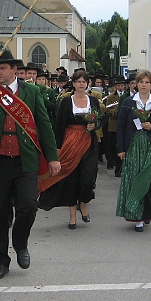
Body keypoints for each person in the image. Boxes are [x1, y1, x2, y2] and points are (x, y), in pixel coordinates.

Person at [0, 50, 61, 279]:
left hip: (24, 159)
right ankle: (0, 260)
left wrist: (52, 156)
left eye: (2, 69)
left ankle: (20, 243)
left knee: (28, 205)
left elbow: (44, 124)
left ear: (14, 71)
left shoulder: (31, 91)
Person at [38, 70, 100, 229]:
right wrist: (57, 148)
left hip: (87, 142)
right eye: (78, 81)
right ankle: (72, 216)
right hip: (70, 142)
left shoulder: (93, 100)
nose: (81, 84)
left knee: (87, 179)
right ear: (73, 84)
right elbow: (59, 125)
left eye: (84, 81)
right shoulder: (66, 101)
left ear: (88, 83)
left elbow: (99, 120)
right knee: (71, 179)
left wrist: (94, 125)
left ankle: (83, 204)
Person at [116, 70, 151, 232]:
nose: (144, 85)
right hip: (133, 145)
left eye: (147, 82)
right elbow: (120, 125)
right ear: (136, 84)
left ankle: (146, 206)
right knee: (136, 179)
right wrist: (121, 148)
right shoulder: (128, 102)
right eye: (141, 82)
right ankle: (139, 215)